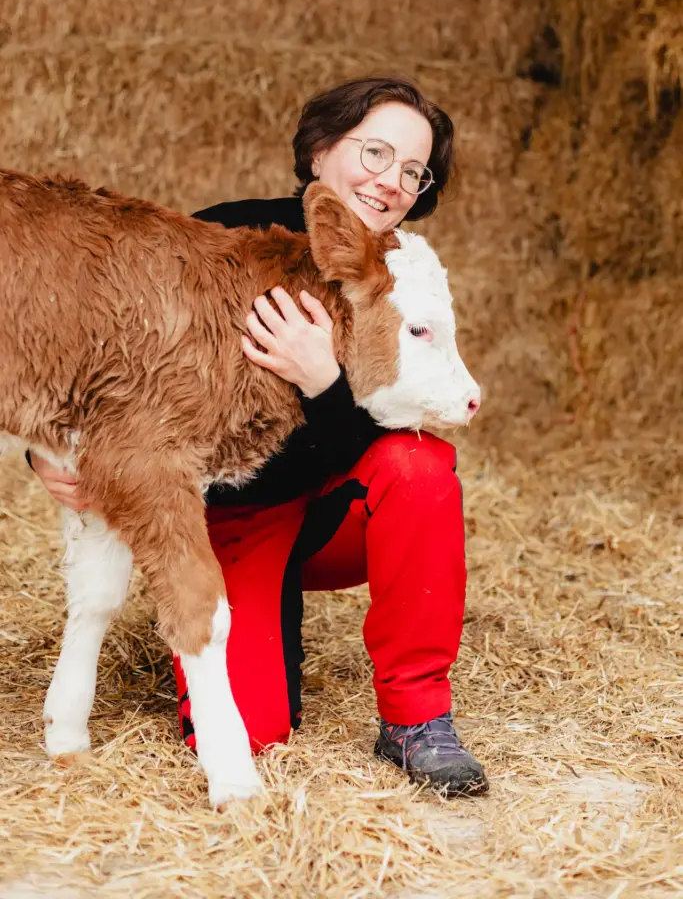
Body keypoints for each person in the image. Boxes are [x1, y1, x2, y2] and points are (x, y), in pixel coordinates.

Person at [28, 76, 488, 797]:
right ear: (319, 151)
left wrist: (322, 383)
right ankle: (242, 620)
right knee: (256, 732)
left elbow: (409, 408)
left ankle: (416, 718)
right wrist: (49, 447)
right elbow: (109, 358)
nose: (390, 180)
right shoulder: (218, 235)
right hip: (228, 521)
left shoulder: (406, 268)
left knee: (418, 465)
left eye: (412, 171)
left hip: (332, 504)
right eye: (374, 152)